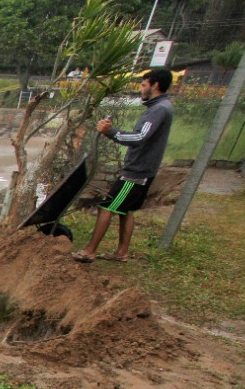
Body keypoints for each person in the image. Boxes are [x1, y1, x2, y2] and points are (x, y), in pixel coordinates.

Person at [71, 68, 174, 263]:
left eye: (144, 85)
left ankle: (89, 251)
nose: (141, 89)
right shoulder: (160, 107)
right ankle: (122, 253)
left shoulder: (159, 109)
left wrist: (112, 132)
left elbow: (140, 137)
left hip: (136, 171)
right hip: (143, 169)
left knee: (106, 207)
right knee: (125, 210)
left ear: (155, 85)